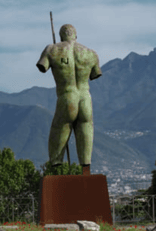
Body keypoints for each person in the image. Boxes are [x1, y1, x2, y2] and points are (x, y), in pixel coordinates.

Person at [36, 24, 102, 175]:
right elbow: (95, 74)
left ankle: (56, 169)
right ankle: (86, 169)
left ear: (61, 36)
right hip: (85, 98)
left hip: (67, 97)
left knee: (58, 128)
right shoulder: (91, 53)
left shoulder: (52, 49)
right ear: (76, 36)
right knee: (86, 128)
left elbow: (43, 66)